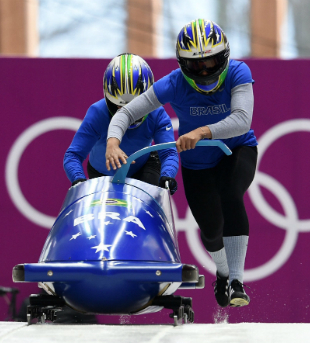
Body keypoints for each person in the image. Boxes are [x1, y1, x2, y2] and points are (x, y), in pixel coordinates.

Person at [106, 19, 257, 308]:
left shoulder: (239, 72)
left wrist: (201, 132)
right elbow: (126, 112)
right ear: (182, 65)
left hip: (235, 150)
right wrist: (113, 140)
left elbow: (242, 120)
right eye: (196, 66)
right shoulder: (173, 83)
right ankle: (223, 273)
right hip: (197, 164)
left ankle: (237, 281)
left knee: (230, 192)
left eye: (212, 63)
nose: (205, 71)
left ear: (224, 57)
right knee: (211, 231)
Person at [64, 53, 179, 194]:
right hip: (102, 174)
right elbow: (73, 155)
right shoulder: (97, 113)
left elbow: (168, 153)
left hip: (144, 168)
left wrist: (167, 175)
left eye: (137, 108)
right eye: (120, 107)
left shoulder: (157, 114)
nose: (129, 116)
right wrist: (79, 180)